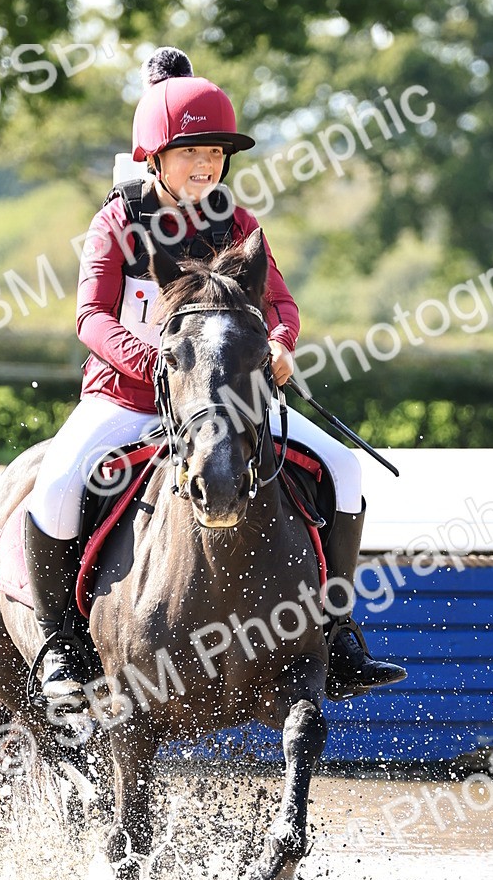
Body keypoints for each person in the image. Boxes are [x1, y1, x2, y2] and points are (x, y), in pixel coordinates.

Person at [24, 47, 405, 706]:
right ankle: (61, 642)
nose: (206, 165)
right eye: (191, 153)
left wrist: (280, 343)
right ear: (155, 158)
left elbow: (280, 305)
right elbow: (90, 317)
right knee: (57, 485)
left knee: (344, 467)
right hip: (127, 397)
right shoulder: (116, 222)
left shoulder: (237, 223)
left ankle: (339, 632)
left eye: (216, 154)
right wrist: (153, 363)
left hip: (226, 401)